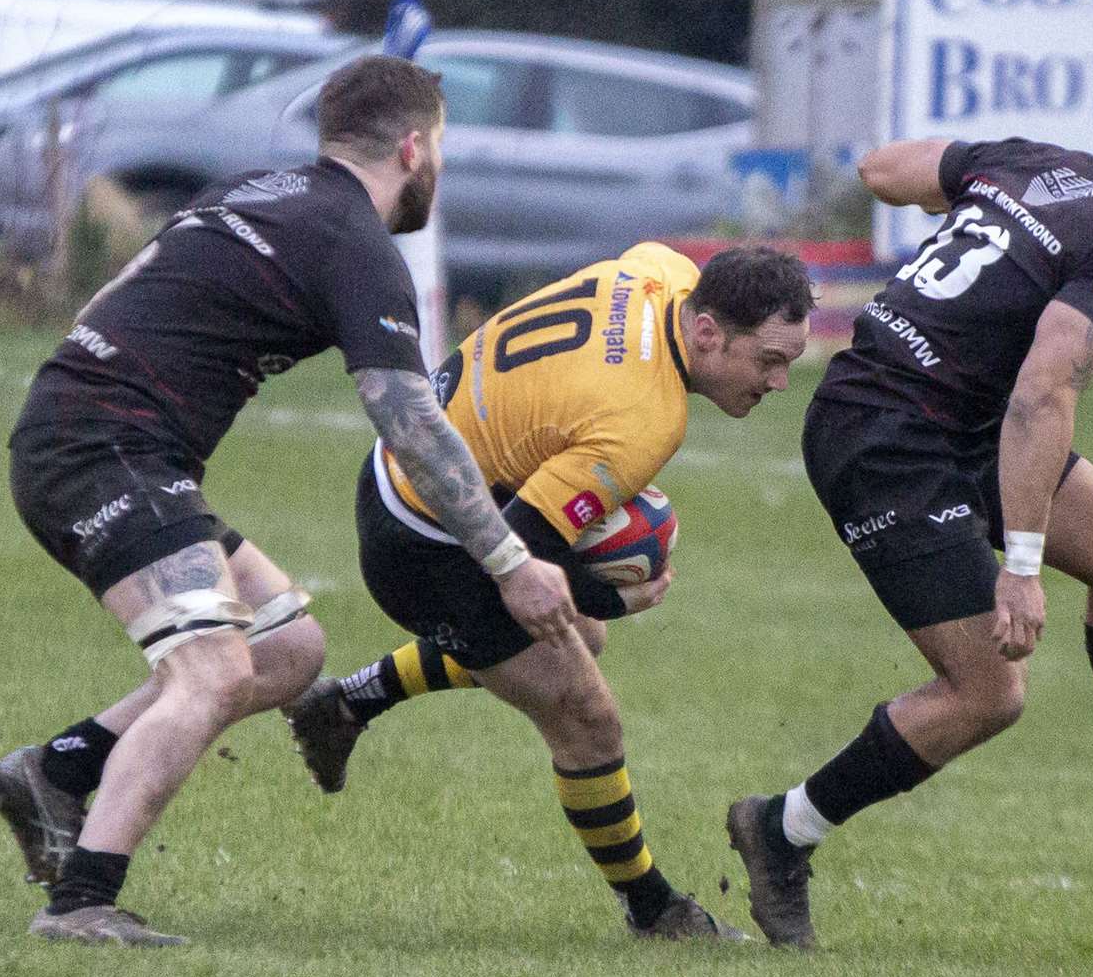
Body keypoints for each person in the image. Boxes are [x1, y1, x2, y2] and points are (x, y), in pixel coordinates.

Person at [0, 56, 576, 946]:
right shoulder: (356, 244)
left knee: (289, 645)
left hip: (96, 437)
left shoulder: (259, 188)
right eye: (441, 147)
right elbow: (411, 425)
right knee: (212, 670)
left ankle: (59, 768)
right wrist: (508, 560)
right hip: (105, 453)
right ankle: (80, 904)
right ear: (416, 148)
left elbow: (120, 295)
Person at [726, 100, 1093, 949]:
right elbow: (1042, 394)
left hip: (958, 424)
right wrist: (1021, 566)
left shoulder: (1032, 162)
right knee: (987, 694)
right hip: (884, 437)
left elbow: (881, 169)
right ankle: (782, 830)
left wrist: (979, 218)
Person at [282, 242, 815, 940]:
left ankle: (345, 705)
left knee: (574, 644)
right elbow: (522, 556)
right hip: (421, 539)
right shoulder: (640, 423)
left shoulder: (664, 270)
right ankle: (653, 911)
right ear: (707, 333)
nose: (777, 382)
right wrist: (615, 596)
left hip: (418, 459)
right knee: (586, 713)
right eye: (768, 361)